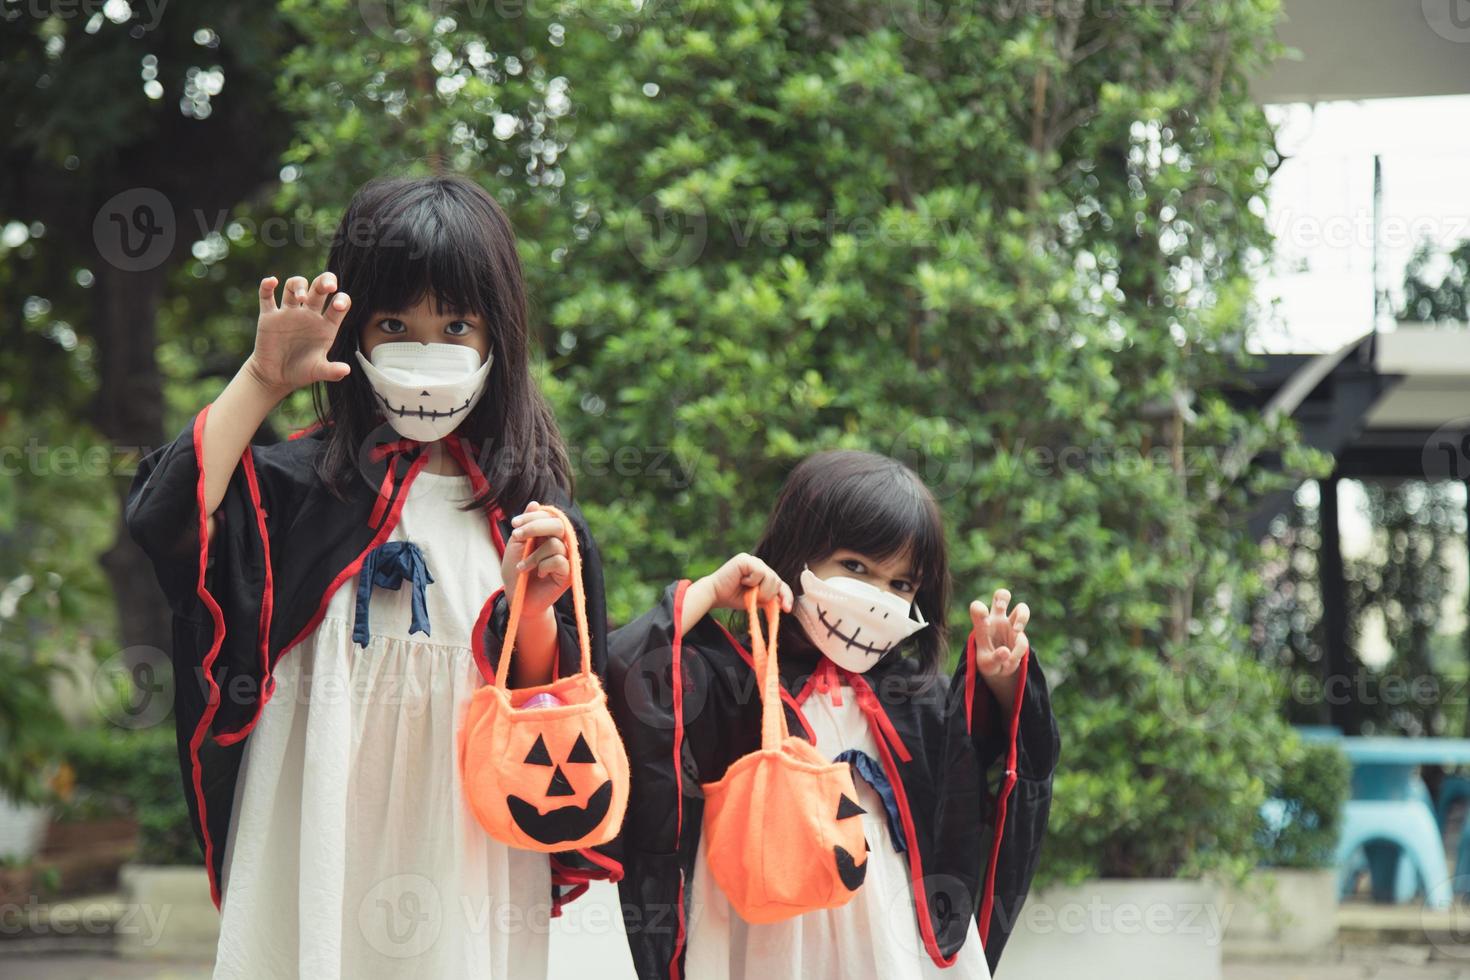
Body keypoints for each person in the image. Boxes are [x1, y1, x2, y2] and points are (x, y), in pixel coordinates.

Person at [124, 173, 615, 979]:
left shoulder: (530, 508)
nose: (429, 351)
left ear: (499, 339)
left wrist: (537, 610)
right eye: (396, 323)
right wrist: (263, 380)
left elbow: (551, 703)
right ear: (356, 329)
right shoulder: (294, 489)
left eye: (456, 325)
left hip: (467, 834)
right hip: (319, 815)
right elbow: (167, 519)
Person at [607, 449, 1059, 979]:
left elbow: (994, 778)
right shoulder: (733, 682)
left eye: (900, 584)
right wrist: (706, 593)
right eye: (855, 567)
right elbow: (617, 677)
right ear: (798, 551)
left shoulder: (919, 701)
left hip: (894, 936)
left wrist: (1002, 682)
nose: (876, 598)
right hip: (766, 932)